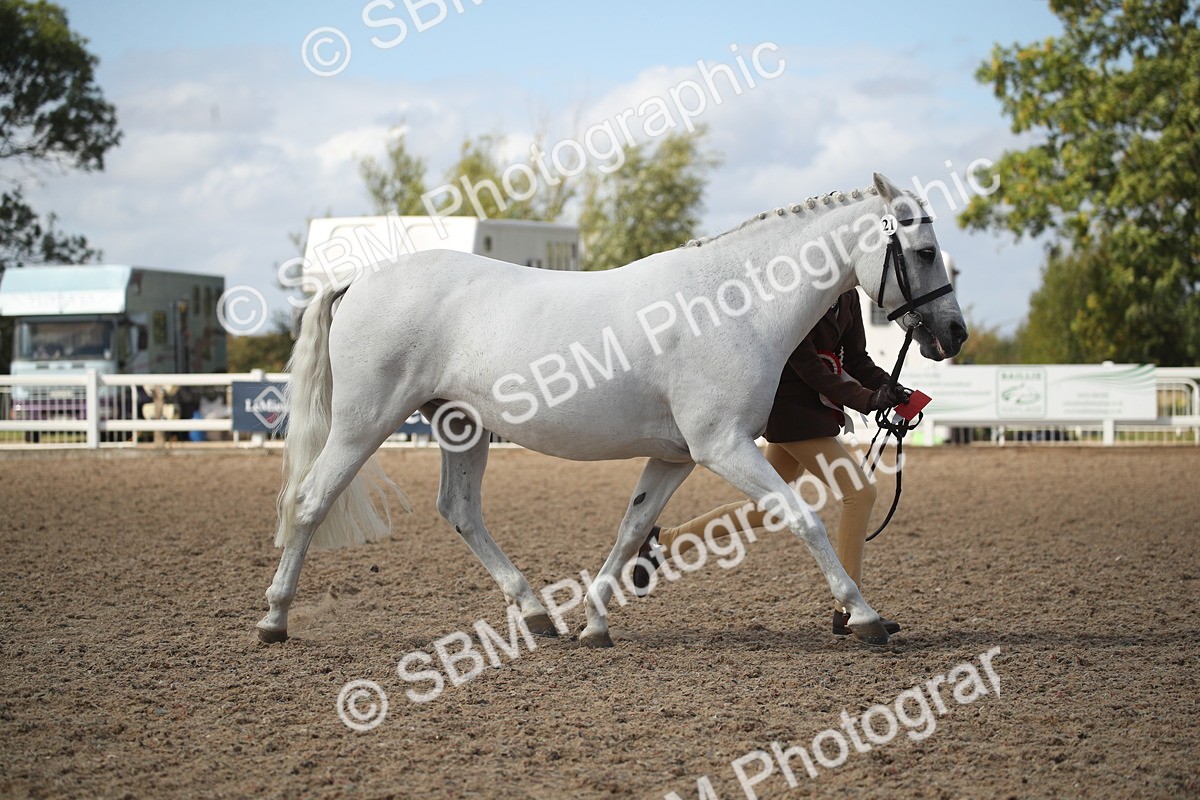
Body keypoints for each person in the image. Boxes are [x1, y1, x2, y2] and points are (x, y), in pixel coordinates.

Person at [633, 289, 908, 637]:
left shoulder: (849, 298)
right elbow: (807, 366)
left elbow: (856, 359)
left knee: (765, 509)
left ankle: (664, 543)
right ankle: (847, 609)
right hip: (790, 412)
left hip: (816, 414)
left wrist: (891, 389)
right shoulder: (803, 296)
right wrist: (866, 399)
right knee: (860, 492)